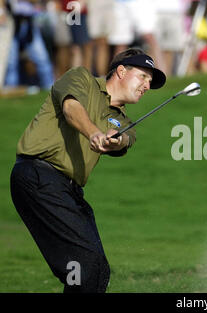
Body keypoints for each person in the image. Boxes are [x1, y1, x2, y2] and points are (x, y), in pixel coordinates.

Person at [10, 47, 166, 293]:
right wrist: (93, 133)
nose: (147, 85)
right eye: (143, 76)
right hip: (38, 176)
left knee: (97, 270)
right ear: (122, 71)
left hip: (67, 190)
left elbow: (126, 140)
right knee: (85, 264)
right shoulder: (80, 77)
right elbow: (71, 107)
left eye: (150, 81)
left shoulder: (124, 122)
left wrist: (118, 140)